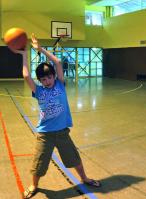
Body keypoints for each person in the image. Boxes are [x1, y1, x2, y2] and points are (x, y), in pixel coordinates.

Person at [15, 34, 100, 198]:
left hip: (62, 132)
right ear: (40, 81)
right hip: (45, 135)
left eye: (48, 77)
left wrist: (40, 49)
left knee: (74, 158)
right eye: (43, 79)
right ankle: (34, 185)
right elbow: (26, 76)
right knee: (39, 164)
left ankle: (85, 178)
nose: (46, 81)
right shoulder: (38, 91)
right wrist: (25, 54)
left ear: (54, 76)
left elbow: (58, 63)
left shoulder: (60, 85)